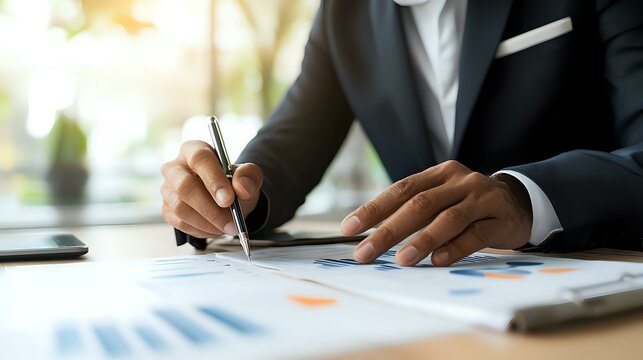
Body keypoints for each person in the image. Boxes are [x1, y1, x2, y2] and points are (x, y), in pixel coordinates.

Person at [160, 0, 643, 267]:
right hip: (428, 292)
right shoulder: (343, 14)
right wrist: (229, 197)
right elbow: (285, 151)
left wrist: (523, 198)